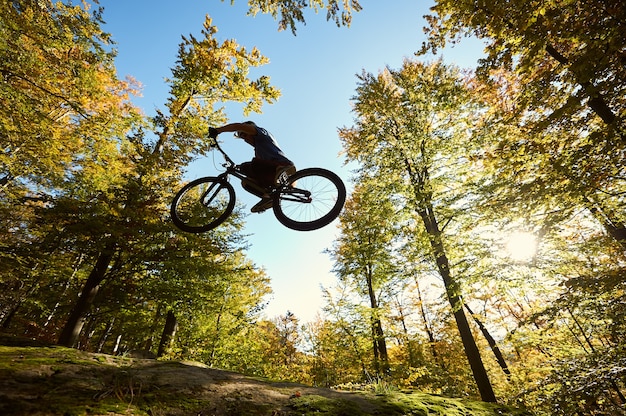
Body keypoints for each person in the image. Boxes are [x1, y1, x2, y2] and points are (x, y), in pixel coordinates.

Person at [209, 121, 295, 213]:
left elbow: (237, 126)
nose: (246, 140)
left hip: (283, 167)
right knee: (246, 182)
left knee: (249, 165)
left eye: (245, 135)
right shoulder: (258, 150)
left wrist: (218, 130)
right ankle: (269, 197)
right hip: (273, 175)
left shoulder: (261, 133)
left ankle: (281, 171)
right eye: (242, 138)